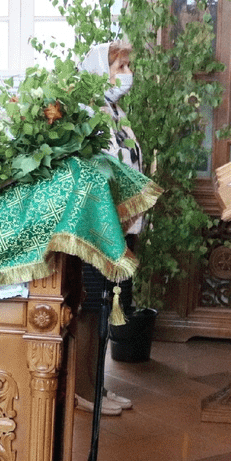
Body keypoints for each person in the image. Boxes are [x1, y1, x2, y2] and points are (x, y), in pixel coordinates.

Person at [74, 42, 142, 416]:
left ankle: (98, 384)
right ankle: (82, 390)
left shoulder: (116, 113)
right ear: (101, 70)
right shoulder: (87, 113)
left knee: (105, 308)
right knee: (90, 309)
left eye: (128, 65)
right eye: (120, 66)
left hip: (121, 227)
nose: (127, 73)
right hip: (96, 230)